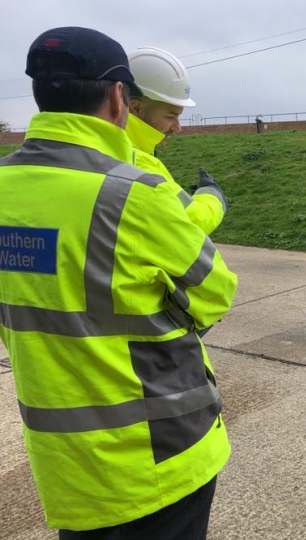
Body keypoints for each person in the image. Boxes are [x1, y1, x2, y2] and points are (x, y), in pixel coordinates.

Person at [0, 27, 238, 539]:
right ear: (119, 98)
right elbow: (215, 294)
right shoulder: (134, 192)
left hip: (66, 465)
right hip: (160, 453)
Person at [127, 47, 227, 235]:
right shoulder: (139, 166)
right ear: (136, 108)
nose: (177, 127)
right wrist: (213, 195)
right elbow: (188, 222)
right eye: (170, 116)